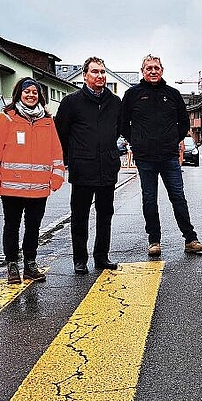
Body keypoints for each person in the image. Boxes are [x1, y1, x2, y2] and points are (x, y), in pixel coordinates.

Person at [121, 55, 202, 257]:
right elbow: (123, 123)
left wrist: (172, 141)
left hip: (168, 156)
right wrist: (137, 141)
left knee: (178, 197)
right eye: (149, 68)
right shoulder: (133, 94)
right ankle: (154, 241)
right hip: (145, 157)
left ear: (162, 70)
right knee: (149, 199)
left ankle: (190, 239)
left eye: (156, 68)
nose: (153, 71)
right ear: (142, 71)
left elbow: (184, 122)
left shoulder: (173, 94)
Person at [0, 77, 65, 284]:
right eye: (27, 91)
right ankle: (12, 266)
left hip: (38, 188)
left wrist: (57, 175)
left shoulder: (47, 120)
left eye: (34, 92)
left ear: (40, 96)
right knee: (11, 226)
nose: (31, 95)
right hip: (11, 187)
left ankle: (30, 264)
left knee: (33, 227)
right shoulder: (5, 118)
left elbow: (56, 151)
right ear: (19, 93)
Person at [55, 57, 122, 275]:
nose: (100, 76)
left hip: (107, 168)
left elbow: (120, 130)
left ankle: (101, 256)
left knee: (105, 215)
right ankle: (80, 259)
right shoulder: (71, 102)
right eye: (95, 72)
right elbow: (61, 135)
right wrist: (70, 159)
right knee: (80, 215)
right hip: (83, 168)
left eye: (103, 72)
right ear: (85, 76)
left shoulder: (115, 102)